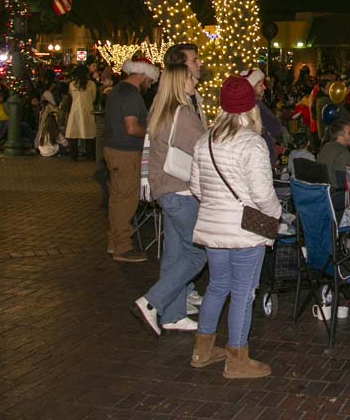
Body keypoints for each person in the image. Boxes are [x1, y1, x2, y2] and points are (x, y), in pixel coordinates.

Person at [190, 76, 281, 379]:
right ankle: (237, 357)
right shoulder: (252, 143)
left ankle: (202, 349)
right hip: (244, 230)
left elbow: (196, 187)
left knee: (216, 286)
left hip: (213, 228)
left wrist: (218, 207)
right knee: (244, 291)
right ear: (250, 107)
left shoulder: (205, 140)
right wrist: (275, 216)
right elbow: (263, 195)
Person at [133, 64, 209, 336]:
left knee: (176, 254)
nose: (195, 81)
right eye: (190, 78)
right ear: (180, 82)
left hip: (164, 190)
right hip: (181, 191)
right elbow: (204, 150)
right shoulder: (184, 114)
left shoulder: (159, 111)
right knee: (197, 254)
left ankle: (174, 315)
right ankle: (152, 301)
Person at [104, 58, 158, 263]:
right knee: (126, 202)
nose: (150, 85)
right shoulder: (132, 96)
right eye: (150, 81)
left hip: (114, 151)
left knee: (117, 200)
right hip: (126, 153)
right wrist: (153, 134)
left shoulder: (117, 91)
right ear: (144, 76)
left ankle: (115, 241)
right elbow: (132, 128)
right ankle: (123, 247)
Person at [243, 68, 284, 164]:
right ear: (252, 87)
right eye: (260, 85)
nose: (264, 87)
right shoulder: (256, 105)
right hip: (262, 157)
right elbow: (276, 127)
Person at [66, 64, 97, 161]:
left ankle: (74, 155)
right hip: (88, 110)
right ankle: (91, 155)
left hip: (75, 110)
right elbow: (93, 97)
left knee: (74, 133)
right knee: (89, 134)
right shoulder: (91, 84)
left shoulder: (72, 84)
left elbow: (71, 97)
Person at [315, 119, 350, 186]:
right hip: (335, 193)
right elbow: (343, 183)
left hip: (322, 190)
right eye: (349, 133)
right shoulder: (343, 152)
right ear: (340, 137)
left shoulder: (326, 146)